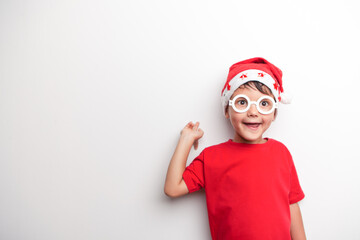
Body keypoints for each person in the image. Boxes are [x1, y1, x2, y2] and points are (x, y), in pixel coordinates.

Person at [164, 57, 306, 240]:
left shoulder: (281, 153)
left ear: (274, 112)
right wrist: (186, 140)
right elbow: (172, 189)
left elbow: (292, 204)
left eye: (264, 104)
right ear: (226, 110)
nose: (253, 112)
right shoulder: (212, 157)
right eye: (242, 102)